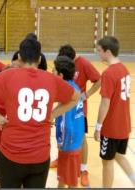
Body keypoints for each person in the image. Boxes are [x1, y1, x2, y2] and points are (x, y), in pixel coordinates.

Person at [0, 37, 80, 188]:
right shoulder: (51, 79)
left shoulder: (8, 76)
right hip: (40, 156)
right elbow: (75, 97)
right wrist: (52, 115)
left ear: (20, 57)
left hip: (11, 155)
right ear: (39, 57)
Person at [51, 44, 101, 187]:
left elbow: (99, 79)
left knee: (81, 140)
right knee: (63, 177)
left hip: (75, 117)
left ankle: (83, 169)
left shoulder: (83, 63)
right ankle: (63, 159)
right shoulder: (68, 83)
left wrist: (87, 95)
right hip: (68, 120)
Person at [94, 36, 135, 187]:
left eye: (99, 51)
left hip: (111, 128)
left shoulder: (109, 73)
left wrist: (98, 127)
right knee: (119, 156)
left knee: (107, 162)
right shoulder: (124, 69)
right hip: (124, 124)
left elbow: (105, 103)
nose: (98, 53)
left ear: (108, 52)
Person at [53, 56, 85, 188]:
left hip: (68, 144)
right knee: (62, 178)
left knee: (70, 182)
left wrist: (63, 143)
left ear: (60, 75)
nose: (52, 72)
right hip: (75, 142)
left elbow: (67, 124)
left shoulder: (67, 94)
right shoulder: (74, 87)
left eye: (54, 70)